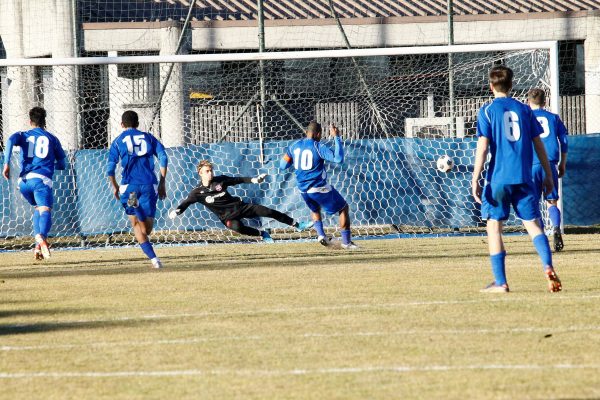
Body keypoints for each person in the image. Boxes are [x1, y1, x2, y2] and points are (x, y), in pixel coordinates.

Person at [472, 66, 561, 293]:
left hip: (498, 178)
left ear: (490, 86)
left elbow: (482, 148)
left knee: (494, 227)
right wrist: (548, 175)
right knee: (532, 225)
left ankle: (500, 282)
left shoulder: (487, 110)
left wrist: (475, 178)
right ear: (511, 86)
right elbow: (538, 144)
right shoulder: (524, 110)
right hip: (524, 178)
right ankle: (548, 266)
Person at [168, 160, 313, 242]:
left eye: (211, 170)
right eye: (207, 171)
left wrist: (255, 180)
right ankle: (262, 235)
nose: (210, 173)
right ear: (200, 173)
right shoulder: (197, 193)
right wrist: (177, 211)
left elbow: (238, 179)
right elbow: (186, 203)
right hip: (227, 218)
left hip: (240, 207)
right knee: (237, 228)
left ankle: (297, 224)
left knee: (268, 212)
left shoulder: (220, 181)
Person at [280, 121, 357, 249]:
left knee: (315, 209)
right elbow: (338, 159)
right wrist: (336, 137)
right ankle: (347, 243)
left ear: (306, 132)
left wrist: (294, 160)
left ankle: (321, 235)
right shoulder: (317, 146)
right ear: (318, 134)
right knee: (343, 208)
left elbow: (283, 166)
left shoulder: (294, 146)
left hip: (303, 190)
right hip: (318, 187)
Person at [2, 107, 67, 260]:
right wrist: (50, 165)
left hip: (24, 182)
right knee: (45, 210)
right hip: (41, 180)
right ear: (45, 121)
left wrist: (6, 163)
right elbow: (63, 165)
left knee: (38, 209)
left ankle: (37, 247)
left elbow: (10, 140)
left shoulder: (23, 135)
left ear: (30, 121)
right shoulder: (52, 138)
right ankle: (41, 238)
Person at [107, 110, 168, 269]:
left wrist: (115, 187)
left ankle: (154, 259)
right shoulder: (148, 137)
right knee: (146, 229)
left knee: (137, 226)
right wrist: (162, 182)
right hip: (149, 184)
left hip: (128, 186)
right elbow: (163, 157)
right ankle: (154, 260)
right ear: (138, 124)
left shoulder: (118, 141)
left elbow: (110, 168)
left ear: (122, 125)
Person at [527, 88, 569, 252]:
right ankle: (556, 228)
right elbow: (564, 141)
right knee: (551, 201)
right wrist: (562, 163)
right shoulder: (553, 118)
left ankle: (542, 237)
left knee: (534, 204)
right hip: (550, 164)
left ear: (528, 102)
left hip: (531, 164)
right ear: (545, 102)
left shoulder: (526, 118)